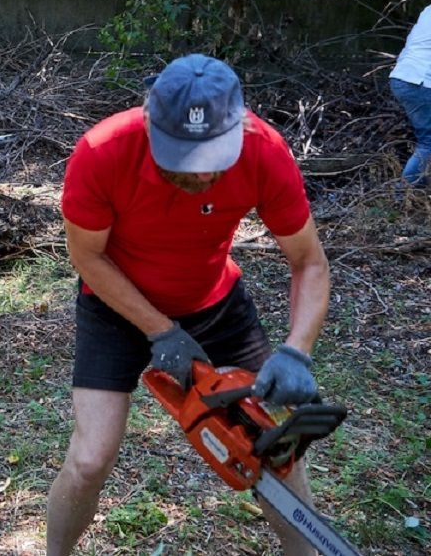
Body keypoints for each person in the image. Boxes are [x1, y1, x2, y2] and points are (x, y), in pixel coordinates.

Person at [48, 54, 331, 555]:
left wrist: (297, 351)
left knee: (276, 454)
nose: (199, 177)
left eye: (211, 161)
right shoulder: (104, 150)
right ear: (150, 120)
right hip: (114, 304)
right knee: (91, 457)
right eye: (181, 159)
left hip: (214, 301)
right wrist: (160, 329)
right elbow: (87, 257)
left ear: (239, 127)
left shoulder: (264, 151)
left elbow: (308, 262)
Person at [390, 3, 431, 187]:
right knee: (428, 141)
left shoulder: (428, 10)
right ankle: (404, 193)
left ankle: (420, 189)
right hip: (420, 80)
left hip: (402, 77)